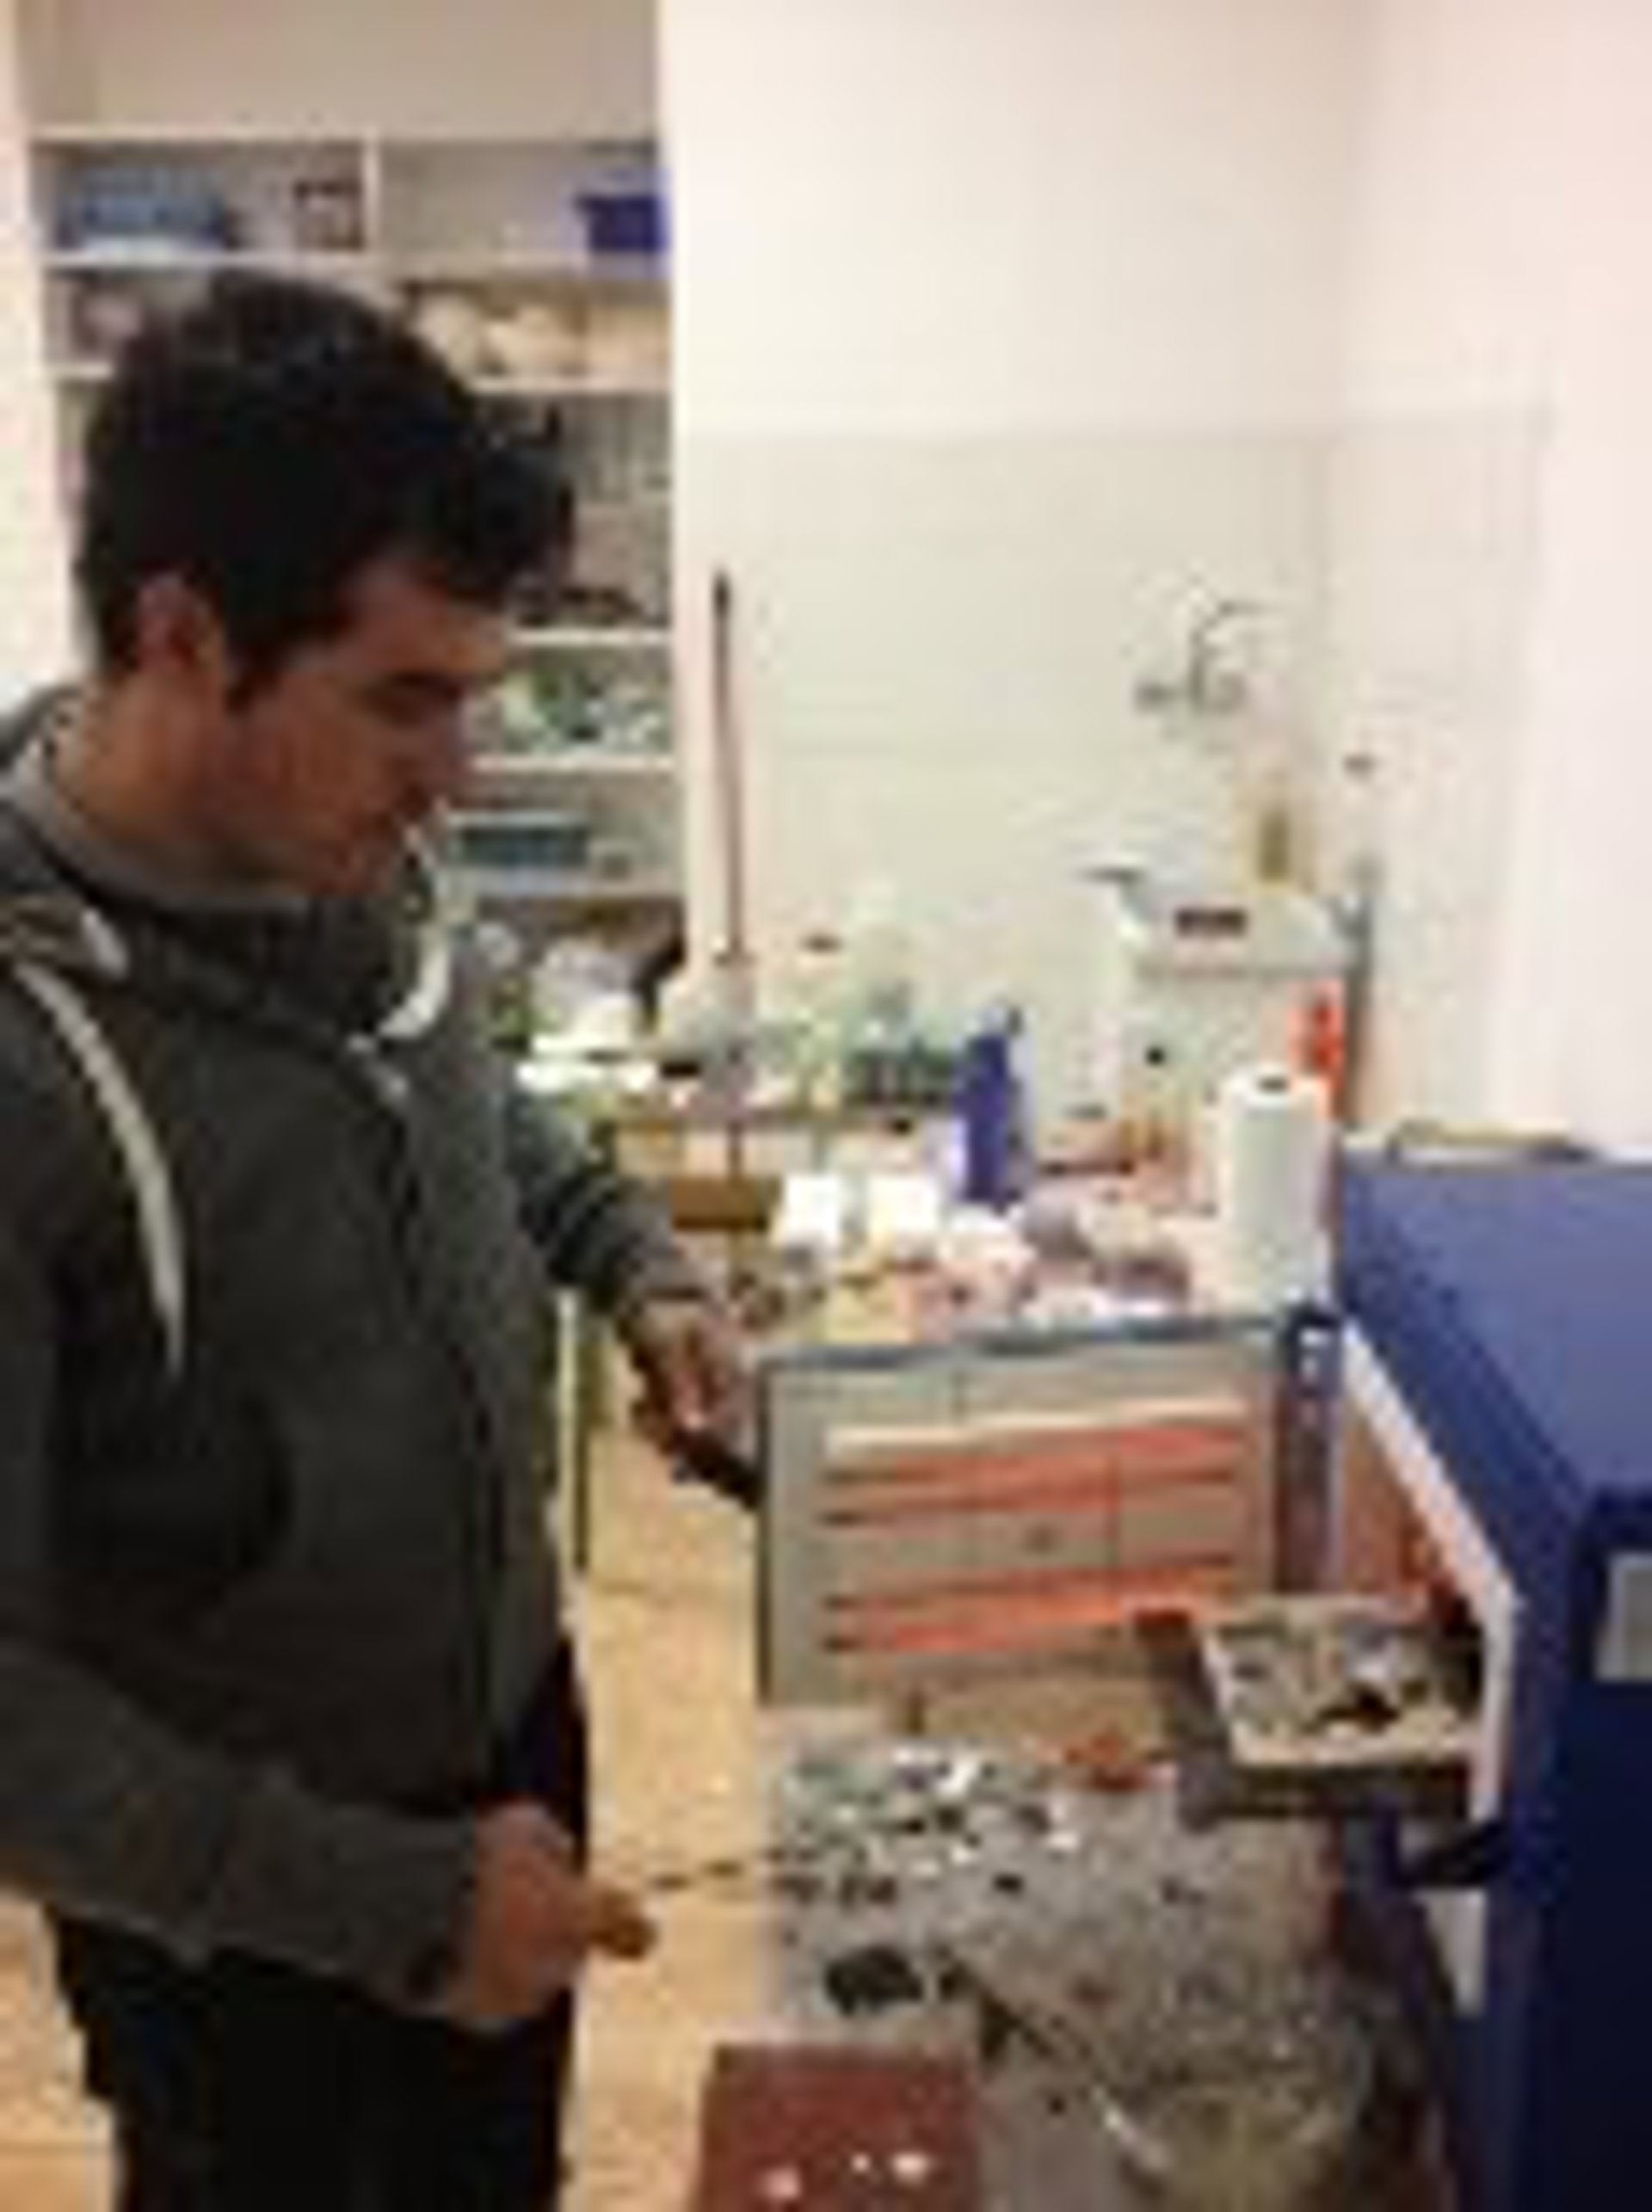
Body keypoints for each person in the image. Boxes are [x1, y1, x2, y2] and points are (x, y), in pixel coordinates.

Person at [0, 273, 743, 2210]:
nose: (457, 776)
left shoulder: (351, 849)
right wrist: (394, 1904)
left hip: (508, 1742)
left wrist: (632, 1255)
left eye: (474, 697)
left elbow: (460, 1092)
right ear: (185, 636)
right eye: (408, 697)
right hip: (240, 1911)